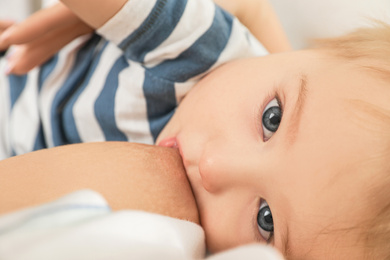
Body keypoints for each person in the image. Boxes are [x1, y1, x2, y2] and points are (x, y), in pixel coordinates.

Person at [0, 0, 390, 260]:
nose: (213, 167)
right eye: (271, 119)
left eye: (266, 219)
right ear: (290, 53)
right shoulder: (204, 49)